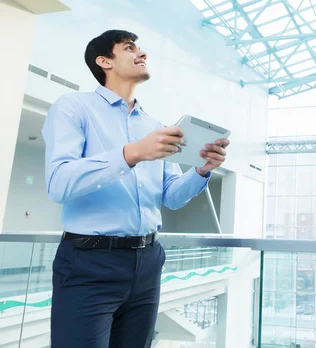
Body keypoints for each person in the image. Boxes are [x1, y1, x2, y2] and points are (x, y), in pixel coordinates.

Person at [42, 29, 229, 347]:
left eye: (141, 49)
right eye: (130, 48)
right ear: (104, 61)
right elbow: (59, 183)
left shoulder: (155, 127)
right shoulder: (73, 107)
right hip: (89, 263)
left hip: (148, 261)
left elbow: (171, 196)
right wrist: (132, 153)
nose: (141, 54)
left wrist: (202, 170)